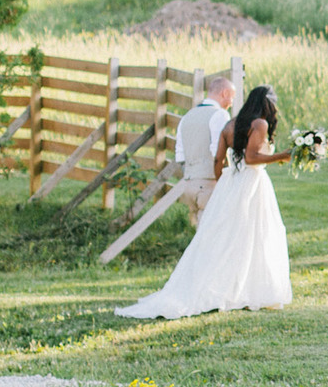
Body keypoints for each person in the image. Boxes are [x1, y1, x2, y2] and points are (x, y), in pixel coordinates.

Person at [116, 85, 294, 319]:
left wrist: (225, 185)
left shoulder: (230, 125)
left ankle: (234, 286)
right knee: (256, 233)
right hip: (253, 183)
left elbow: (218, 159)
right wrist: (282, 155)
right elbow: (251, 158)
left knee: (226, 237)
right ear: (266, 104)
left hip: (232, 182)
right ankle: (249, 289)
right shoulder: (259, 124)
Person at [172, 75, 237, 229]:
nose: (231, 103)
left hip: (189, 183)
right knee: (212, 233)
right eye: (232, 98)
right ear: (225, 93)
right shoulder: (220, 115)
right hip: (209, 183)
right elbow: (219, 153)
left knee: (199, 234)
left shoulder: (187, 116)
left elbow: (179, 155)